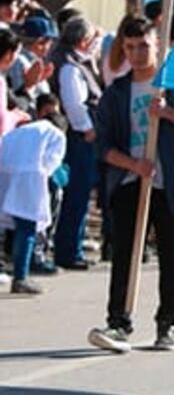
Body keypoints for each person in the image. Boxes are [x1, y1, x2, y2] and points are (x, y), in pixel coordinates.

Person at [87, 15, 174, 353]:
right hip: (132, 181)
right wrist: (134, 164)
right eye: (129, 47)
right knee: (126, 255)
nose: (136, 53)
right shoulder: (116, 93)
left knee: (173, 255)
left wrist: (169, 112)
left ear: (157, 44)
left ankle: (167, 323)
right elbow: (103, 146)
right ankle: (118, 323)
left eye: (143, 45)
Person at [49, 16, 102, 270]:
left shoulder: (73, 61)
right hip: (80, 138)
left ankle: (72, 247)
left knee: (79, 195)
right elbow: (75, 104)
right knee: (77, 195)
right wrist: (88, 129)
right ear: (83, 41)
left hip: (81, 136)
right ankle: (69, 251)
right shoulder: (70, 67)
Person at [0, 102, 67, 294]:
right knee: (27, 227)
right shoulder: (56, 134)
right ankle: (21, 277)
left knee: (11, 227)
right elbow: (51, 163)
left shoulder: (22, 130)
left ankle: (16, 270)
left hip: (5, 175)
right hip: (30, 179)